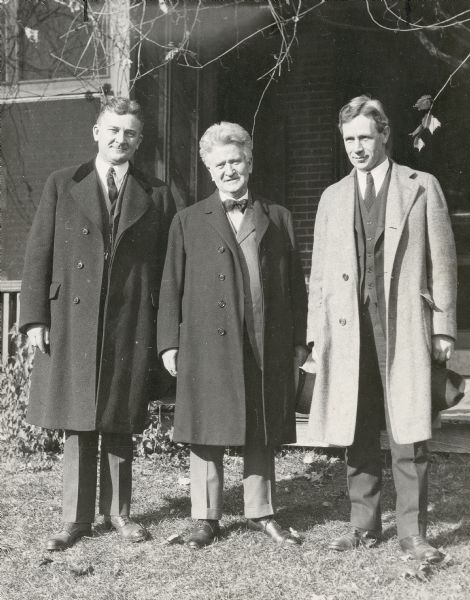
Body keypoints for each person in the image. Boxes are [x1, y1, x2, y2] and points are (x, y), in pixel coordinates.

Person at [19, 96, 176, 551]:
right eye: (112, 130)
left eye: (129, 133)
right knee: (77, 417)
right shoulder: (62, 183)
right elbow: (38, 254)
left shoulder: (159, 193)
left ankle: (120, 513)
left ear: (140, 140)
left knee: (120, 415)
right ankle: (74, 518)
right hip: (72, 318)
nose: (120, 139)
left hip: (129, 320)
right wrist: (34, 318)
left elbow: (168, 269)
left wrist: (163, 327)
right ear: (96, 132)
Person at [307, 96, 457, 562]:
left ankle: (412, 532)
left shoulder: (421, 186)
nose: (356, 147)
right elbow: (320, 275)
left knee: (408, 432)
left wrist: (444, 326)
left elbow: (443, 262)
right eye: (349, 139)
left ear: (384, 135)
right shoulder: (332, 197)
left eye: (365, 137)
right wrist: (316, 337)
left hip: (405, 328)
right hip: (350, 333)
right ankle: (363, 524)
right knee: (357, 427)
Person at [157, 121, 308, 549]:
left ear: (250, 162)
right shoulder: (187, 220)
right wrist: (169, 341)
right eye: (220, 164)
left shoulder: (277, 217)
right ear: (209, 169)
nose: (229, 170)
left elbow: (294, 284)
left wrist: (299, 338)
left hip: (265, 336)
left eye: (235, 161)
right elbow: (171, 284)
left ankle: (262, 511)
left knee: (261, 422)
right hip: (207, 341)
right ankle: (206, 517)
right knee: (207, 424)